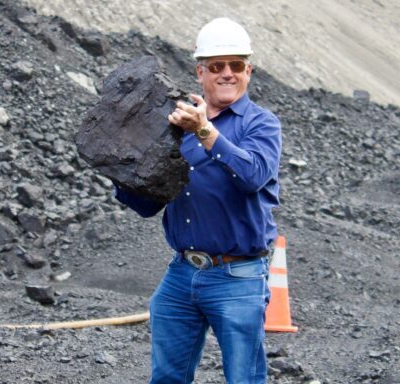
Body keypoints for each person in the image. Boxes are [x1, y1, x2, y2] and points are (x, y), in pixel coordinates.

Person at [114, 17, 282, 383]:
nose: (227, 73)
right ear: (200, 71)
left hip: (238, 275)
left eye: (236, 65)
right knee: (167, 378)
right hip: (181, 273)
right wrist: (120, 166)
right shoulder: (176, 125)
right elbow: (147, 205)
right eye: (216, 66)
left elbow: (252, 176)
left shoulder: (261, 124)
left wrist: (204, 130)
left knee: (244, 378)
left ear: (248, 71)